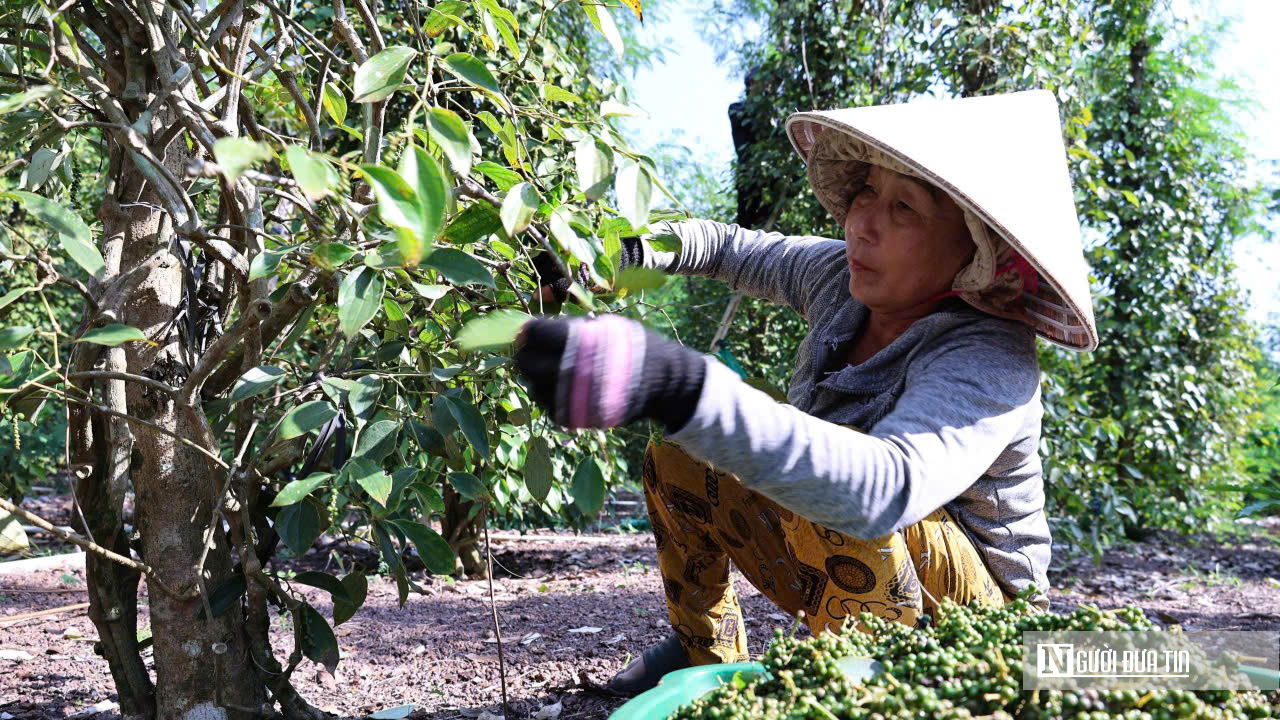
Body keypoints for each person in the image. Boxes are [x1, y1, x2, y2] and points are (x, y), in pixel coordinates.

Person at [513, 90, 1098, 696]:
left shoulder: (988, 351)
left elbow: (884, 490)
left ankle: (867, 696)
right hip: (864, 560)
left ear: (977, 251)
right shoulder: (837, 279)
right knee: (682, 457)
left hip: (984, 631)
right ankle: (704, 658)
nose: (861, 223)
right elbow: (723, 247)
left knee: (833, 486)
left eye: (904, 208)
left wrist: (678, 386)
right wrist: (614, 257)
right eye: (867, 190)